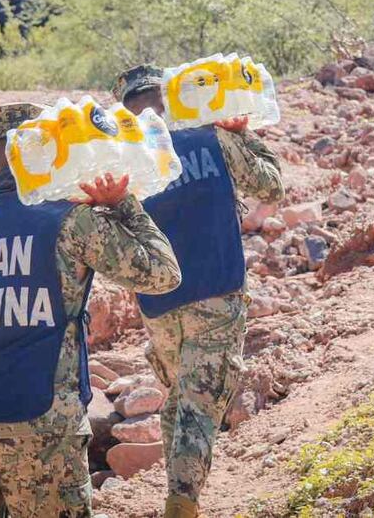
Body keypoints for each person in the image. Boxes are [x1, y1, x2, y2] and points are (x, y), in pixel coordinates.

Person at [0, 102, 182, 518]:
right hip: (43, 428)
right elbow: (163, 274)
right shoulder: (71, 222)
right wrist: (124, 203)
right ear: (52, 152)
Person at [112, 65, 285, 518]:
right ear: (171, 97)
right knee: (199, 401)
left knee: (181, 395)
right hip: (218, 290)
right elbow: (271, 185)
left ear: (125, 109)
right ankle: (183, 501)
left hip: (159, 303)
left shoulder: (120, 160)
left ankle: (178, 488)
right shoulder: (212, 137)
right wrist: (242, 134)